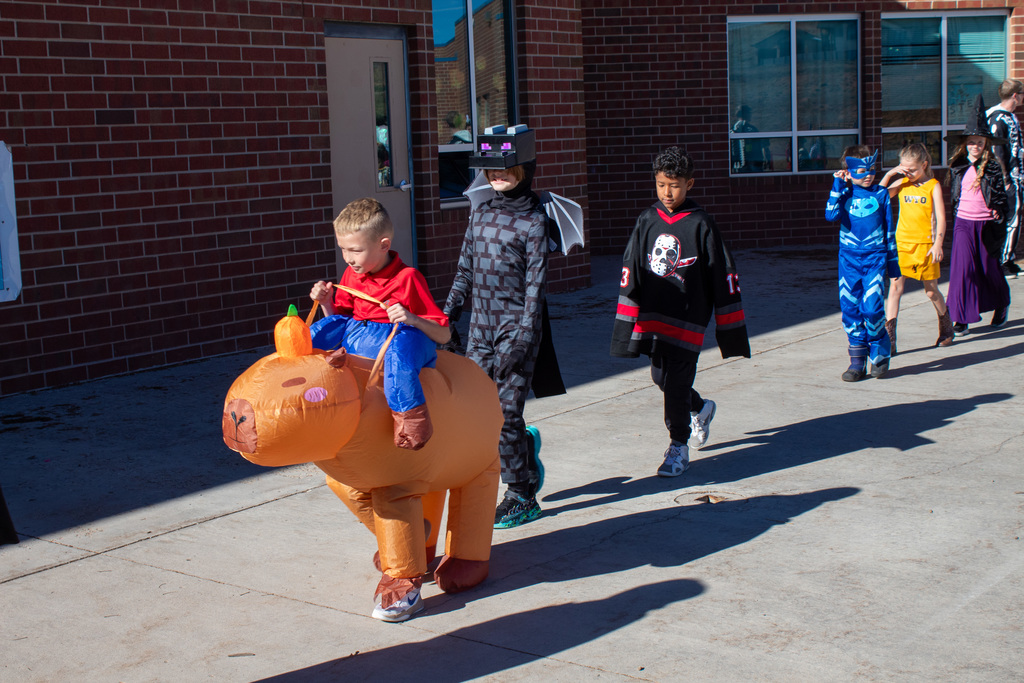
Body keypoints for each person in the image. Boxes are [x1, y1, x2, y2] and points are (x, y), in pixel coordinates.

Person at [444, 125, 565, 530]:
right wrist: (447, 315)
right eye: (492, 169)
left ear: (525, 168)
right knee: (479, 411)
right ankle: (524, 451)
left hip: (517, 330)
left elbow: (536, 289)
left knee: (505, 412)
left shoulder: (534, 221)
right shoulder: (480, 212)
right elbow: (465, 270)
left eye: (508, 169)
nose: (499, 176)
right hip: (480, 328)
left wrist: (524, 339)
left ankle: (521, 494)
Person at [611, 146, 750, 478]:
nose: (667, 192)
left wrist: (728, 325)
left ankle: (678, 446)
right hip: (653, 316)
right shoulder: (647, 220)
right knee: (660, 377)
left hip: (689, 318)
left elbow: (723, 273)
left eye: (674, 185)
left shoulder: (701, 223)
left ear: (690, 183)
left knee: (675, 383)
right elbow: (631, 268)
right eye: (661, 184)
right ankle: (700, 408)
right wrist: (625, 323)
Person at [309, 197, 451, 451]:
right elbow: (339, 317)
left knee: (399, 352)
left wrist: (411, 318)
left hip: (402, 336)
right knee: (317, 333)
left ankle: (412, 422)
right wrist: (326, 302)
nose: (348, 258)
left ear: (383, 245)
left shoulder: (408, 278)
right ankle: (299, 397)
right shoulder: (352, 274)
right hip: (362, 332)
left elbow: (443, 335)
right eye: (343, 249)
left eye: (355, 250)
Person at [825, 146, 899, 381]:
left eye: (871, 170)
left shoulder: (881, 194)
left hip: (875, 258)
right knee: (850, 309)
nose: (868, 175)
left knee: (872, 307)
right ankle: (857, 362)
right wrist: (838, 186)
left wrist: (893, 263)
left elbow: (890, 229)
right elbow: (831, 215)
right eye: (860, 171)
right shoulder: (844, 194)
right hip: (848, 261)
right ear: (848, 171)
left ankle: (880, 349)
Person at [879, 143, 954, 351]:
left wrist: (938, 243)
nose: (909, 173)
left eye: (912, 169)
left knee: (931, 292)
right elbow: (880, 194)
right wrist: (892, 173)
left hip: (926, 246)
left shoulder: (933, 186)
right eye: (905, 168)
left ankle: (946, 327)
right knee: (895, 289)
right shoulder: (902, 183)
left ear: (924, 165)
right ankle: (890, 339)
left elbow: (941, 217)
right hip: (902, 245)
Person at [946, 96, 1011, 336]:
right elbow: (955, 196)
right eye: (971, 142)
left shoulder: (992, 166)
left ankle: (1002, 303)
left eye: (980, 142)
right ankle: (960, 317)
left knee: (988, 268)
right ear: (965, 143)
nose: (976, 146)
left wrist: (997, 209)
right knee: (962, 270)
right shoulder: (958, 165)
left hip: (986, 225)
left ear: (986, 143)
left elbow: (1002, 198)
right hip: (963, 223)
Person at [986, 79, 1024, 278]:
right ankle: (1003, 261)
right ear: (1015, 95)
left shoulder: (1010, 117)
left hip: (1016, 176)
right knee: (1011, 218)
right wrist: (1005, 178)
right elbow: (997, 150)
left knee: (1014, 217)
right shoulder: (998, 118)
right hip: (1009, 178)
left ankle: (1008, 258)